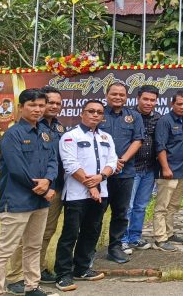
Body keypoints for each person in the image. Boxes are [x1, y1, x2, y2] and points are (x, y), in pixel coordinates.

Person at [0, 89, 58, 296]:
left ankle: (32, 287)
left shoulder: (45, 133)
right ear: (20, 107)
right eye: (32, 105)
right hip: (17, 201)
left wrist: (48, 180)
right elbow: (17, 169)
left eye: (41, 105)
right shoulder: (12, 135)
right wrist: (42, 189)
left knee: (33, 247)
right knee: (5, 250)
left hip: (39, 203)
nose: (38, 109)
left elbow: (53, 161)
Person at [6, 87, 66, 293]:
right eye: (49, 102)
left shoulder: (59, 128)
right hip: (30, 189)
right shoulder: (28, 128)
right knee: (23, 236)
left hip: (54, 187)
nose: (53, 106)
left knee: (44, 233)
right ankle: (16, 277)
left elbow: (55, 159)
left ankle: (37, 271)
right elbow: (19, 165)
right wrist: (41, 186)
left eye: (58, 103)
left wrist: (50, 184)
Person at [54, 100, 117, 292]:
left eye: (99, 112)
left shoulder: (106, 137)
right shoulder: (70, 136)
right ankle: (63, 274)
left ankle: (81, 268)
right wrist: (91, 186)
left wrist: (101, 177)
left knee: (91, 231)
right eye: (91, 111)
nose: (95, 115)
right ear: (82, 114)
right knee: (70, 234)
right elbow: (70, 164)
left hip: (101, 192)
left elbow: (112, 161)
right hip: (76, 195)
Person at [99, 82, 144, 264]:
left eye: (122, 94)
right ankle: (88, 250)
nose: (118, 97)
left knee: (120, 213)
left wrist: (121, 160)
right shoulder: (98, 113)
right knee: (96, 213)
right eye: (114, 94)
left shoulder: (134, 116)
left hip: (124, 172)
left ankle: (115, 248)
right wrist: (109, 164)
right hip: (100, 174)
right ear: (106, 95)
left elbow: (138, 140)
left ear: (126, 97)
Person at [121, 85, 161, 252]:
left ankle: (135, 238)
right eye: (145, 99)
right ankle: (122, 239)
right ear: (138, 98)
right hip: (131, 169)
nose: (148, 103)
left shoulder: (157, 118)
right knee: (127, 206)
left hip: (149, 169)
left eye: (152, 100)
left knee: (141, 206)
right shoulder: (127, 116)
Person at [152, 90, 183, 251]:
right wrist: (165, 167)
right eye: (179, 104)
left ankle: (169, 232)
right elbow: (160, 146)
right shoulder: (165, 121)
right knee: (162, 206)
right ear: (172, 104)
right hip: (168, 172)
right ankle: (160, 238)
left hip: (180, 171)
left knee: (173, 205)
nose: (182, 107)